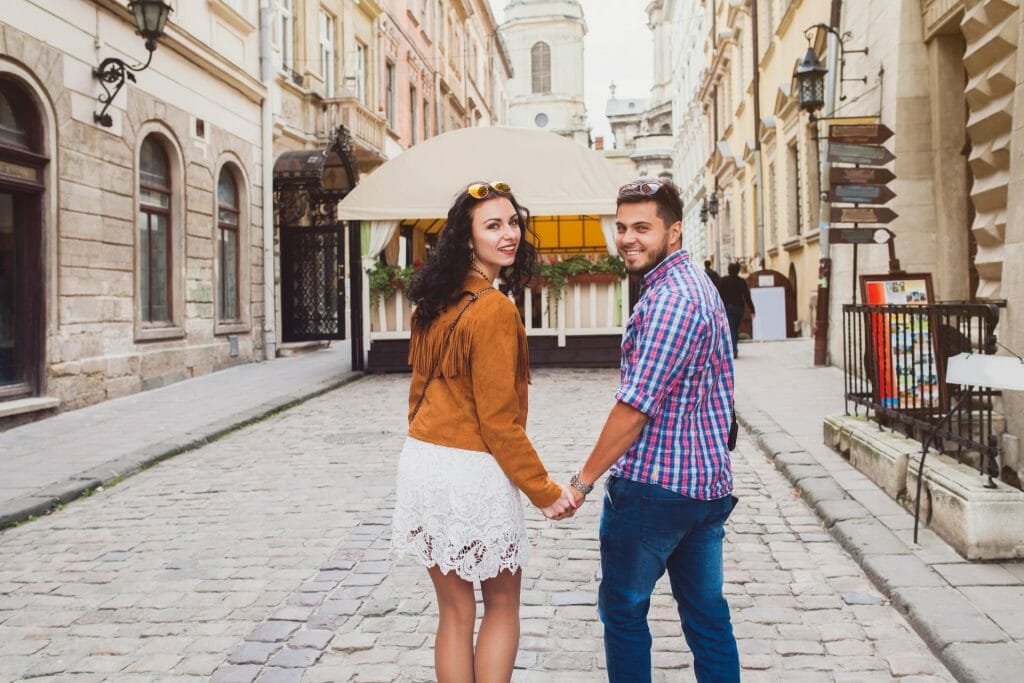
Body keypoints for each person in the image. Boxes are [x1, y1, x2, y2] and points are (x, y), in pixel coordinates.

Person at [391, 181, 576, 683]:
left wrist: (428, 444)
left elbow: (417, 396)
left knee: (453, 613)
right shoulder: (494, 308)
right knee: (500, 605)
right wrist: (544, 491)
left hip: (423, 460)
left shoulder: (433, 301)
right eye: (492, 225)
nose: (509, 233)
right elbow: (499, 422)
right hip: (471, 469)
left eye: (512, 222)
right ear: (467, 238)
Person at [565, 178, 739, 683]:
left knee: (623, 613)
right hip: (704, 488)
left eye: (642, 227)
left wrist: (581, 482)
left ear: (675, 230)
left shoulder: (671, 301)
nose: (627, 238)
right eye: (621, 228)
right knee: (708, 619)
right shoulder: (693, 283)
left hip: (655, 490)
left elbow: (634, 408)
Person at [717, 262, 755, 358]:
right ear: (738, 271)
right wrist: (752, 309)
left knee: (731, 329)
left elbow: (718, 295)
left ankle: (734, 350)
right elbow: (747, 296)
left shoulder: (723, 281)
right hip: (739, 309)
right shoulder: (741, 281)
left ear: (729, 270)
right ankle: (734, 349)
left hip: (728, 308)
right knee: (735, 328)